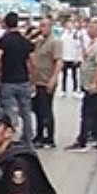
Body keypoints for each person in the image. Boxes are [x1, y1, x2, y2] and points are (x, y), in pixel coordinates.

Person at [66, 18, 97, 152]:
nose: (89, 30)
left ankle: (83, 141)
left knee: (88, 113)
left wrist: (95, 83)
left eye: (92, 27)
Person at [0, 12, 34, 145]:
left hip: (8, 80)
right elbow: (31, 62)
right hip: (23, 80)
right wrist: (31, 78)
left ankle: (9, 137)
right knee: (26, 111)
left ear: (5, 23)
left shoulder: (4, 40)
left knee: (9, 110)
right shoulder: (25, 41)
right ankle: (28, 138)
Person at [28, 17, 62, 149]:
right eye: (40, 26)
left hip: (47, 80)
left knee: (46, 109)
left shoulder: (55, 42)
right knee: (37, 109)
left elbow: (58, 61)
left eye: (44, 26)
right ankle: (39, 134)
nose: (41, 29)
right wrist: (33, 34)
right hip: (38, 80)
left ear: (50, 27)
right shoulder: (39, 42)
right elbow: (28, 43)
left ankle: (49, 137)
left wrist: (53, 79)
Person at [59, 18, 84, 96]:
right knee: (64, 75)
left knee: (74, 74)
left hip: (73, 57)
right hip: (65, 56)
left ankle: (75, 90)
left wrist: (78, 58)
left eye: (71, 24)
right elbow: (61, 44)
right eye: (68, 24)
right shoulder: (63, 33)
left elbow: (79, 46)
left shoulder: (76, 34)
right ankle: (63, 90)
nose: (69, 25)